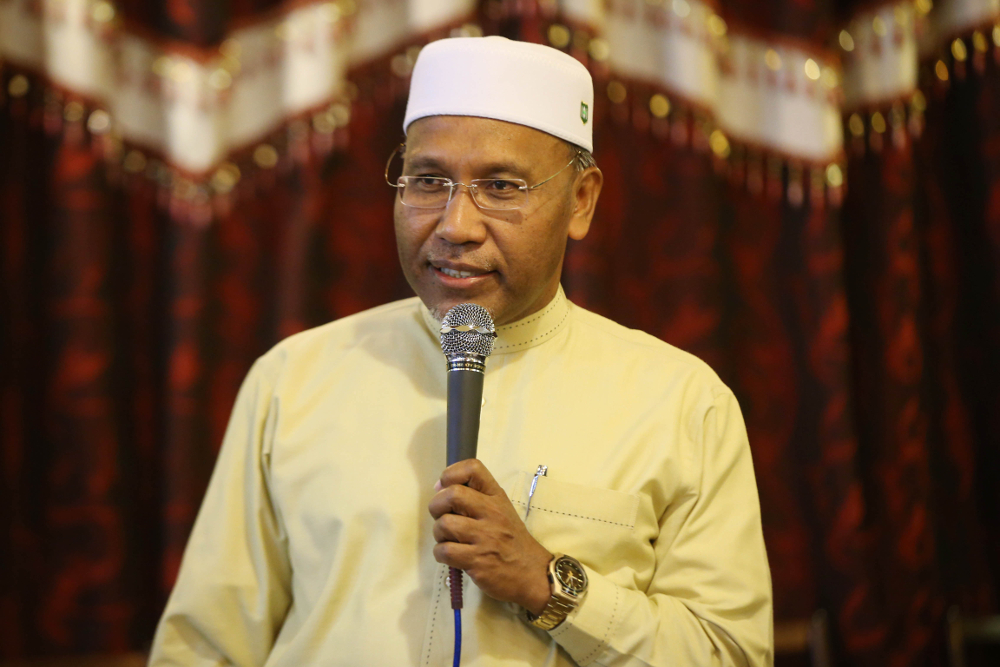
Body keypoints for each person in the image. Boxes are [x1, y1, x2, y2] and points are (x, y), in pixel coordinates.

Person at [148, 36, 773, 666]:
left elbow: (731, 655)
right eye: (428, 180)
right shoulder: (295, 377)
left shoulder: (679, 401)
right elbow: (203, 648)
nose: (455, 226)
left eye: (501, 187)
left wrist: (548, 583)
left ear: (581, 201)